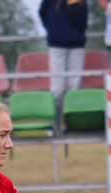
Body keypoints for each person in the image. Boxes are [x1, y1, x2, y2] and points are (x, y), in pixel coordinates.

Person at [39, 0, 89, 129]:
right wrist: (53, 31)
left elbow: (83, 23)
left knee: (74, 88)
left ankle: (72, 125)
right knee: (57, 90)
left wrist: (75, 5)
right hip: (56, 46)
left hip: (77, 46)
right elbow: (42, 13)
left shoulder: (81, 2)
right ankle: (54, 125)